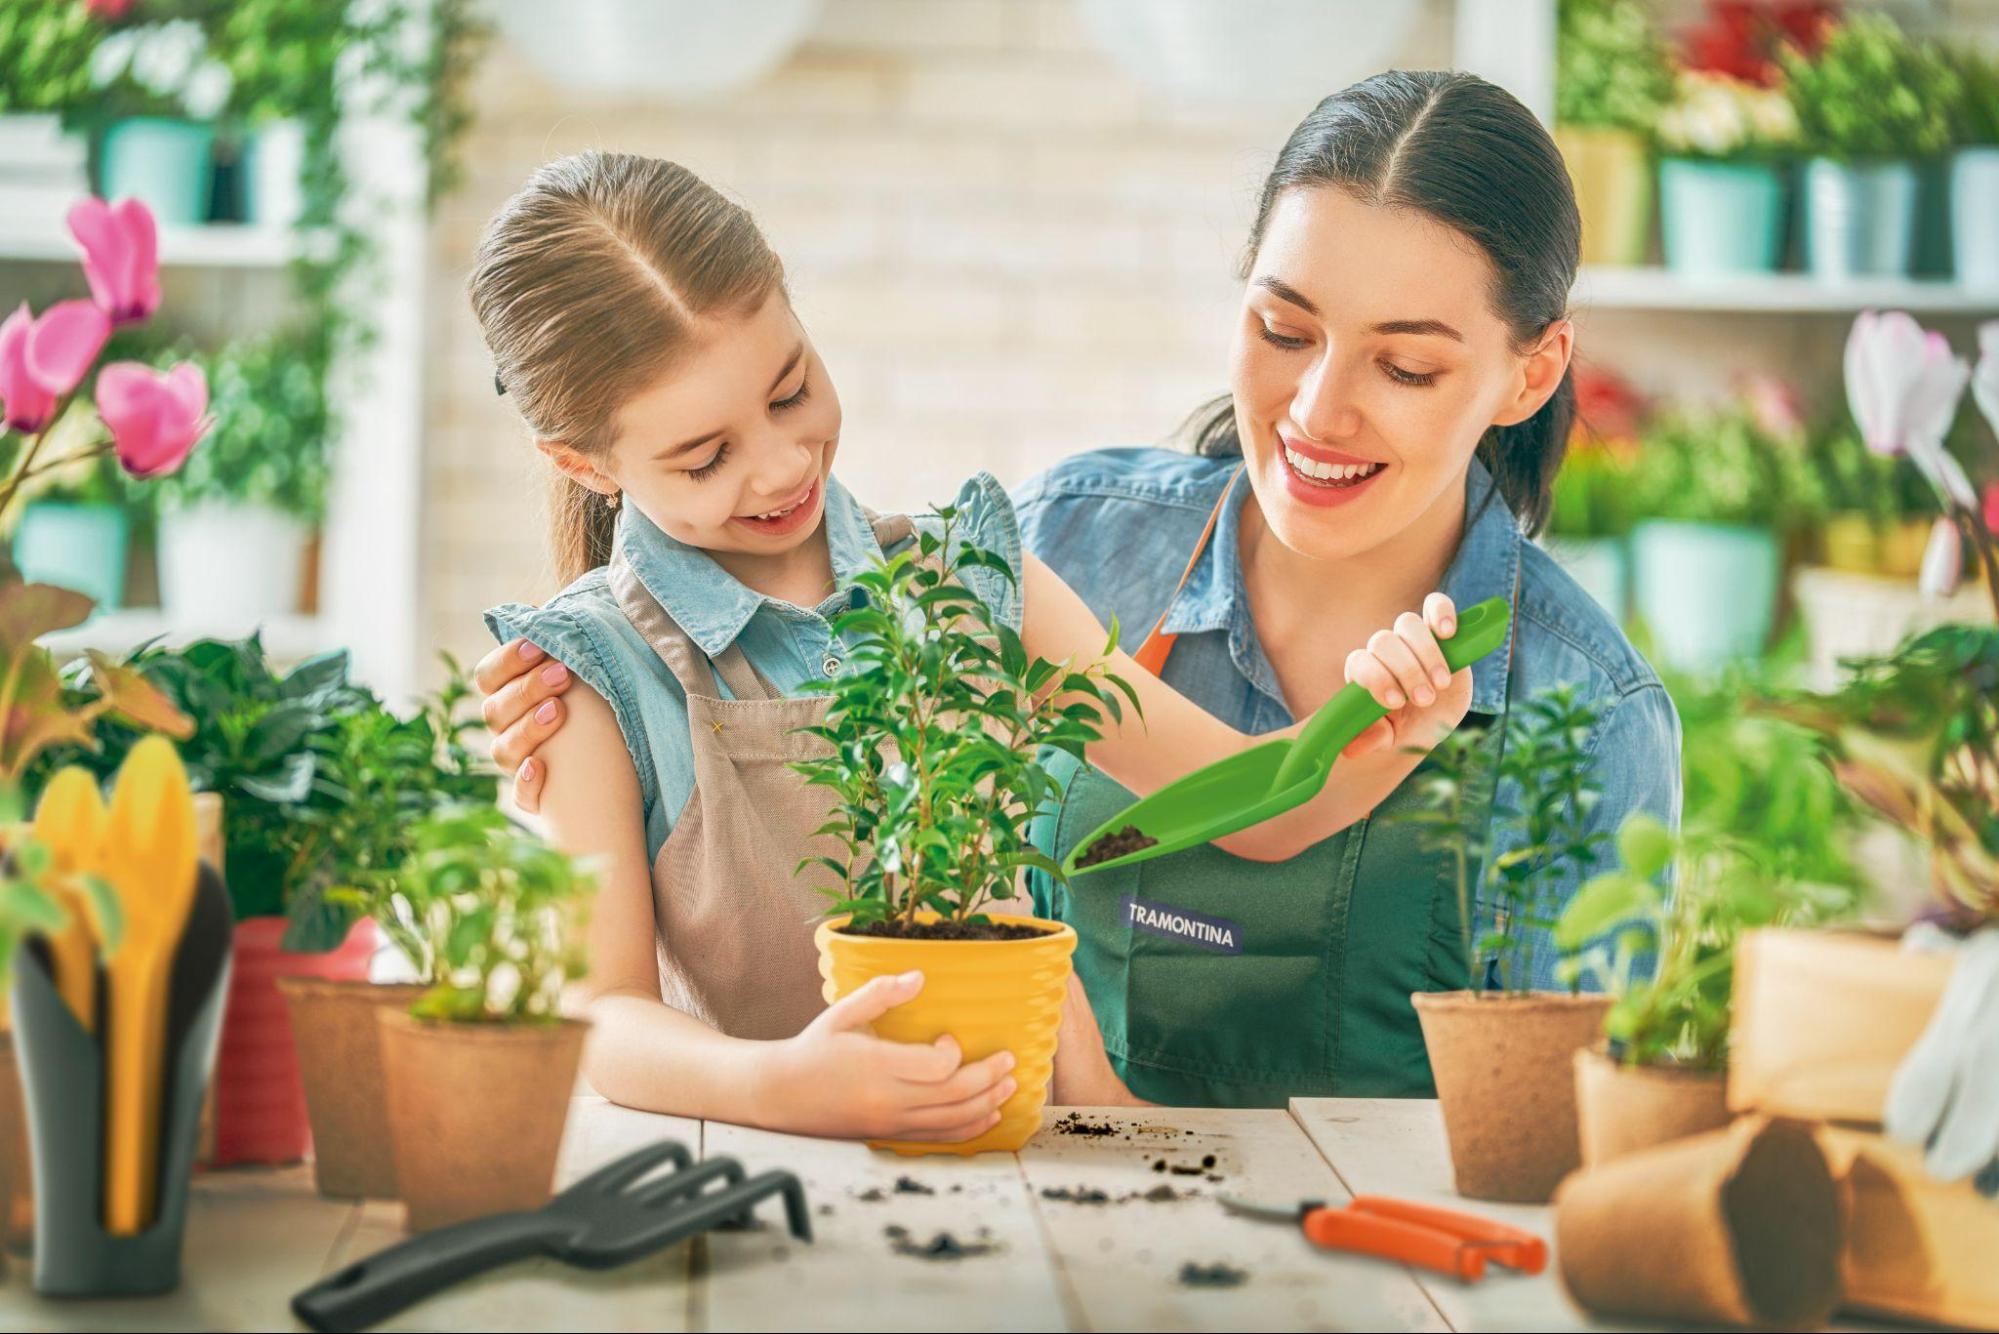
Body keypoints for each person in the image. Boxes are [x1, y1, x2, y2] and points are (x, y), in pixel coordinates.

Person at [477, 71, 1682, 1110]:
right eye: (1281, 327)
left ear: (1530, 372)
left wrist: (1383, 735)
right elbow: (597, 1009)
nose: (782, 465)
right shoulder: (1046, 541)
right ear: (585, 463)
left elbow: (1249, 802)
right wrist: (786, 1082)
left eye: (793, 391)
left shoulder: (972, 575)